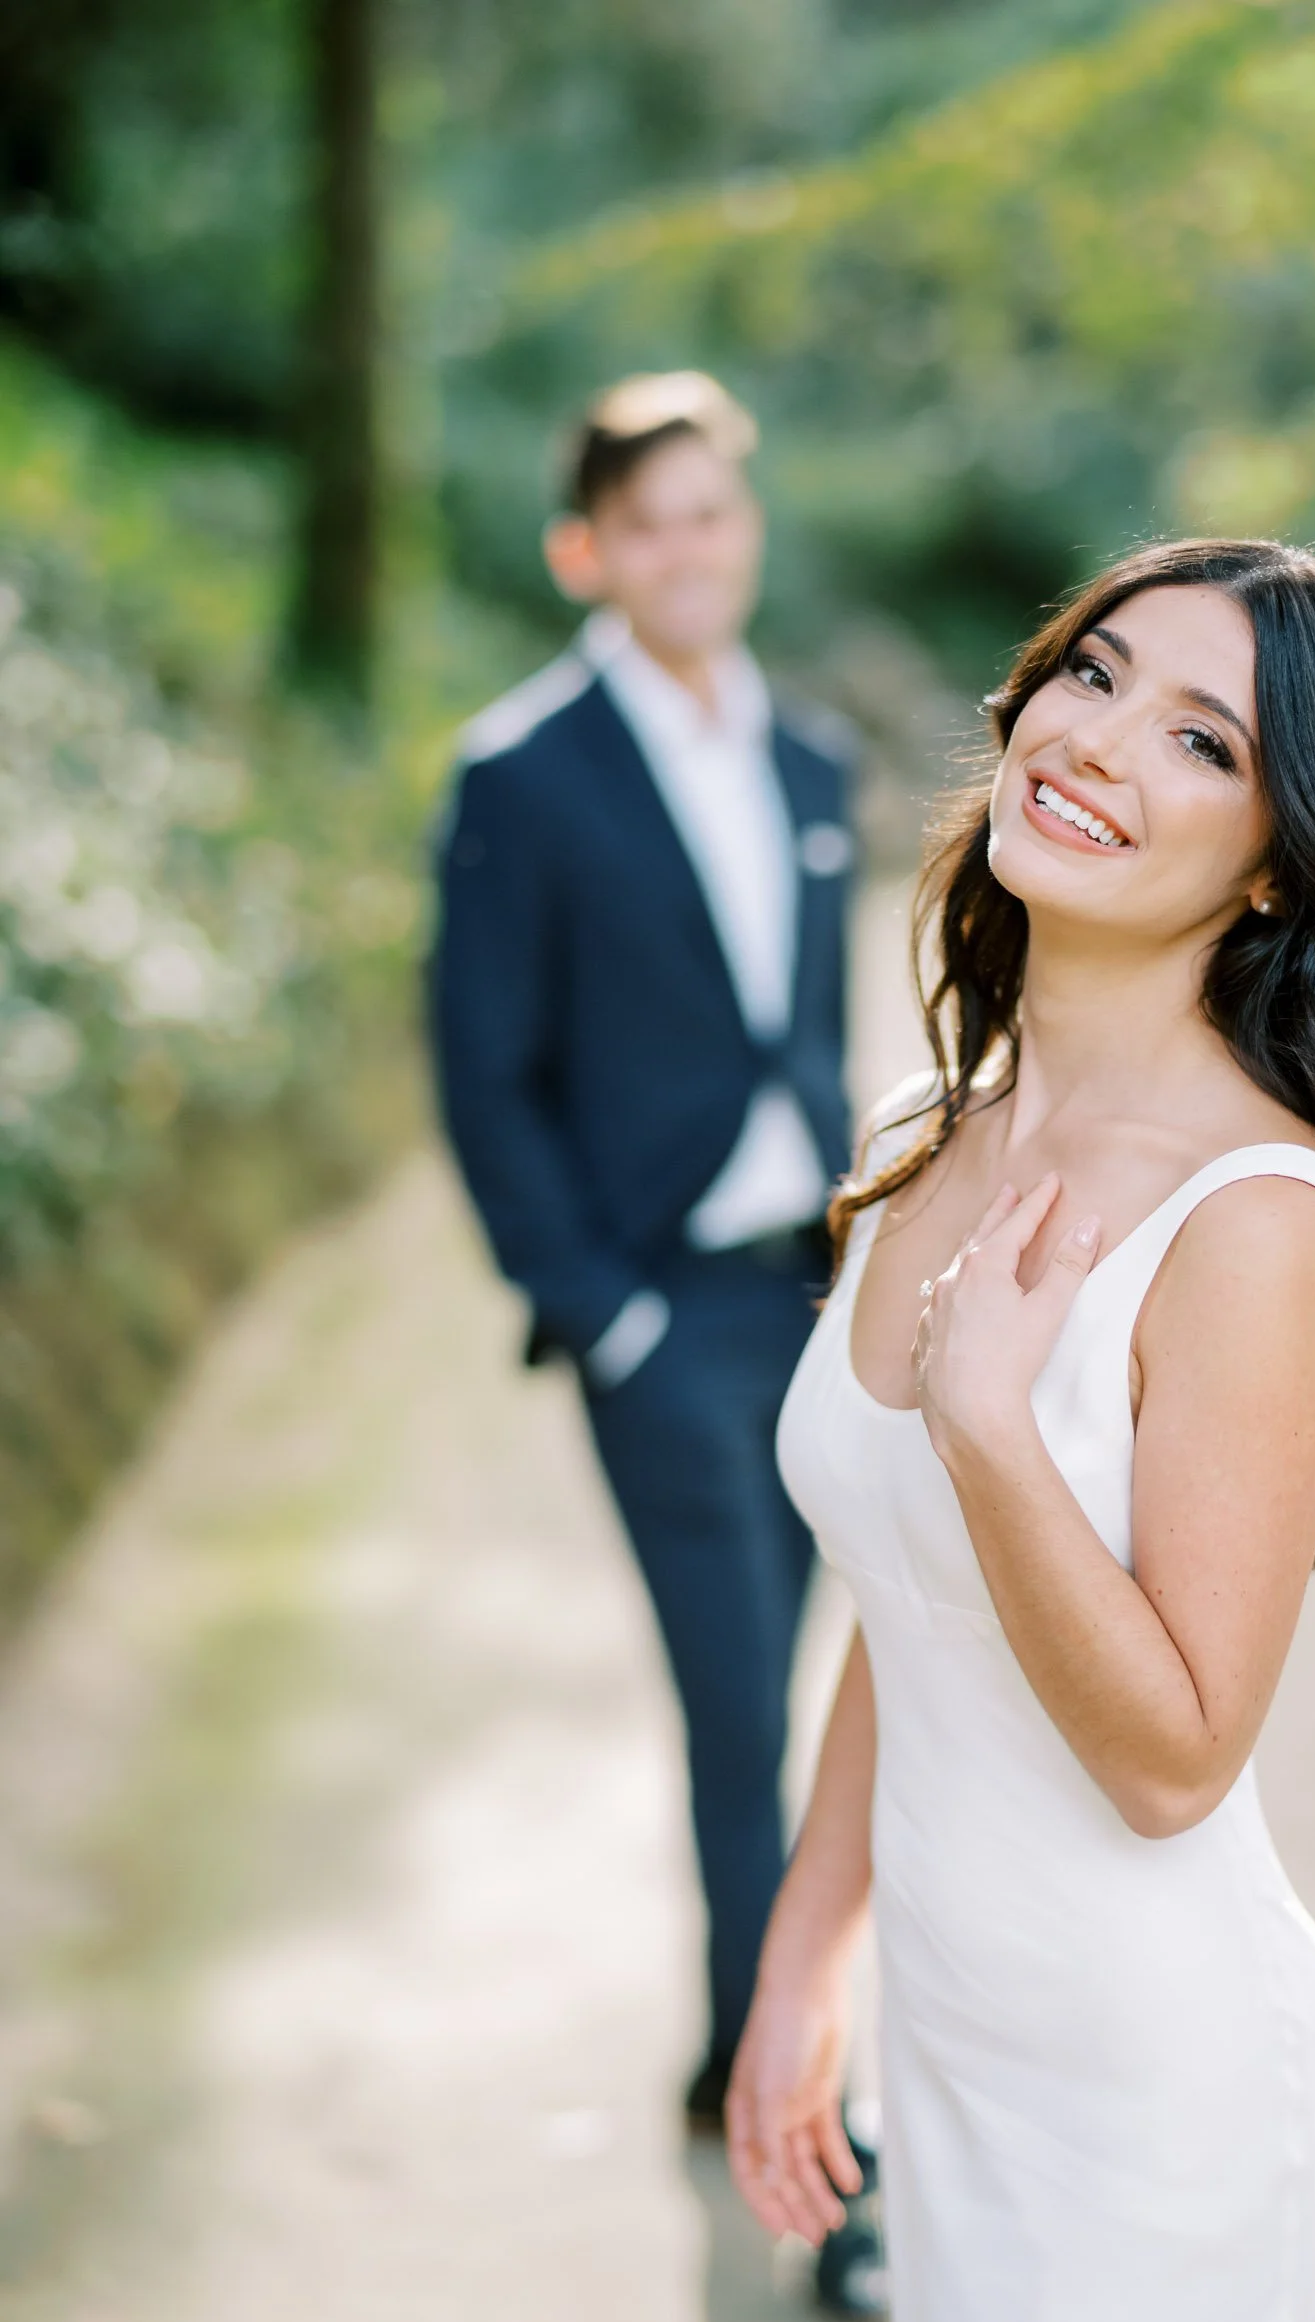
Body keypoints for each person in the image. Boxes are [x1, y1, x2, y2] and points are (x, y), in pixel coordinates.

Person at [726, 537, 1315, 2322]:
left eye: (1200, 736)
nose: (1101, 740)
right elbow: (908, 1600)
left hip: (1153, 2090)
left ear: (1283, 857)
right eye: (1097, 673)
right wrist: (808, 1951)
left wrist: (991, 1421)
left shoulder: (1255, 1220)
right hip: (952, 2048)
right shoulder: (923, 1136)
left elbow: (1171, 1755)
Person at [429, 372, 858, 2149]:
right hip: (662, 1321)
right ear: (583, 552)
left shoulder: (809, 758)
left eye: (713, 513)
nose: (688, 551)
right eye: (649, 522)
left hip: (820, 1305)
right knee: (738, 1703)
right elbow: (482, 1070)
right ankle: (805, 2121)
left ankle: (731, 2060)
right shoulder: (525, 775)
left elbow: (813, 1036)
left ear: (746, 531)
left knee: (821, 1700)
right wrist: (597, 1310)